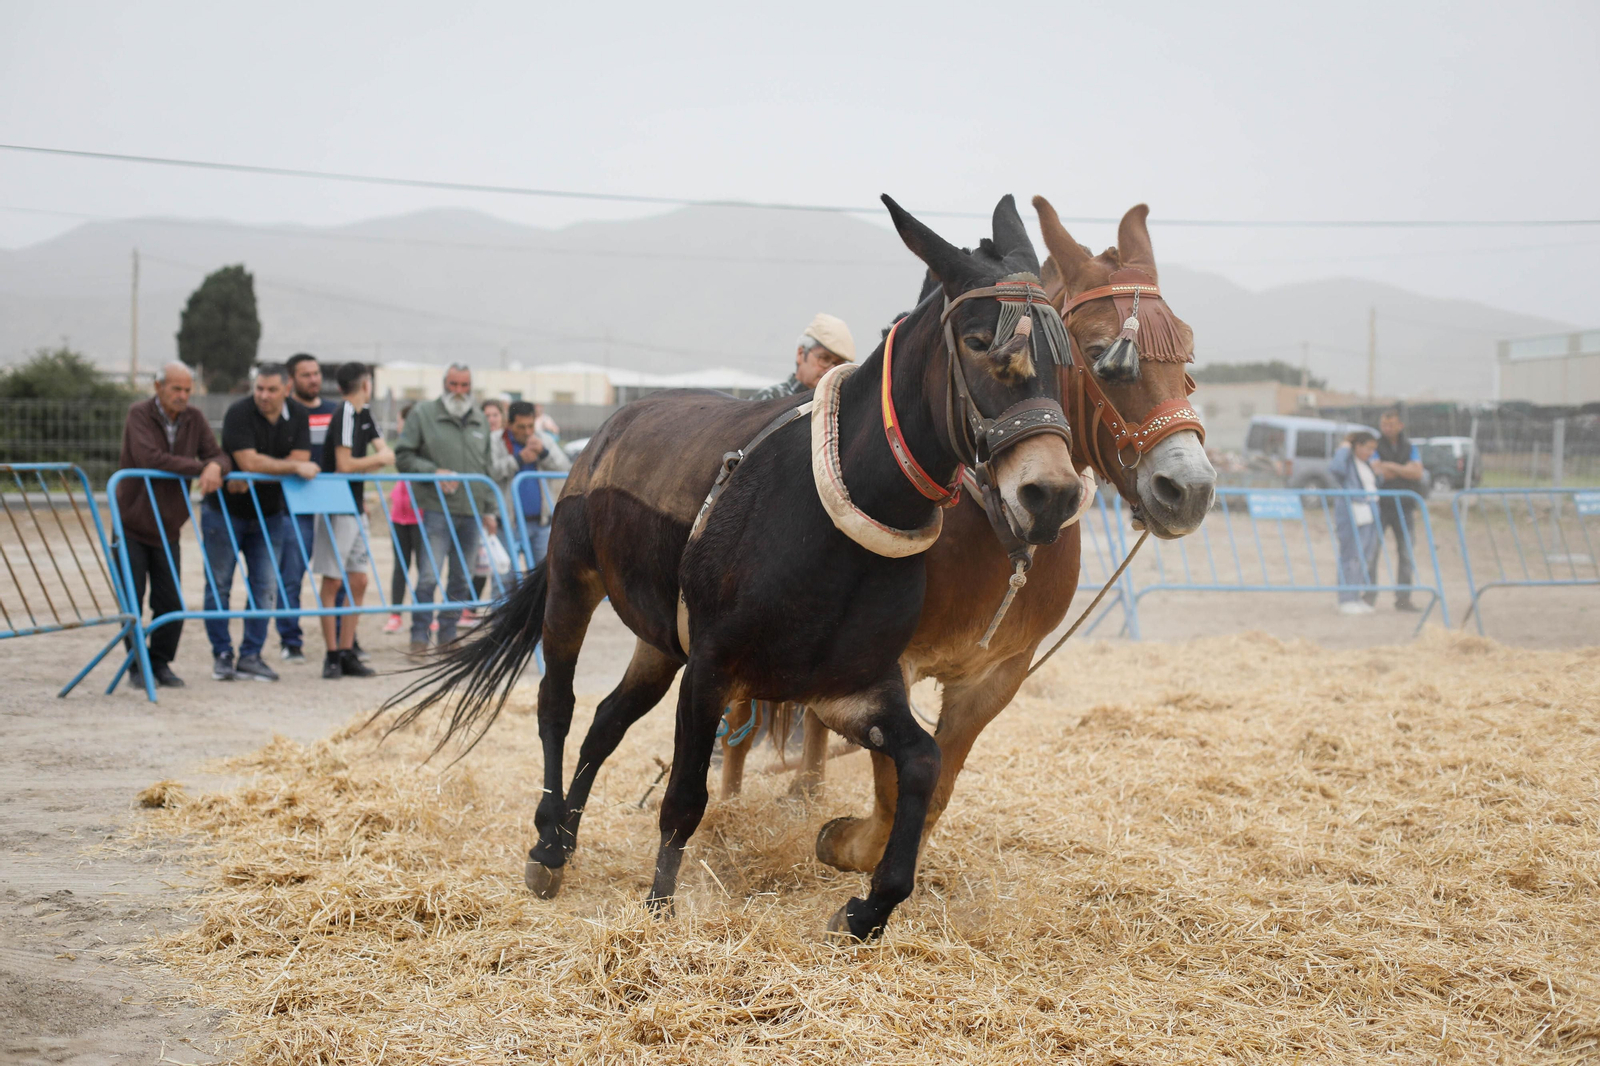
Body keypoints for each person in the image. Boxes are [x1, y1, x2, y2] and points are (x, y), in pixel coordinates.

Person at [114, 361, 229, 689]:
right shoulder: (139, 414)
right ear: (158, 387)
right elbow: (148, 457)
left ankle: (160, 663)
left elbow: (218, 455)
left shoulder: (194, 418)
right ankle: (137, 666)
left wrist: (215, 467)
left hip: (168, 527)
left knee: (170, 602)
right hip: (132, 524)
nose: (182, 396)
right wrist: (200, 468)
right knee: (132, 602)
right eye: (176, 389)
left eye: (188, 390)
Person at [205, 365, 317, 680]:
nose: (263, 396)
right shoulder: (238, 412)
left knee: (265, 587)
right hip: (225, 511)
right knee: (219, 585)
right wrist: (289, 467)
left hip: (269, 514)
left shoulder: (297, 414)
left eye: (271, 390)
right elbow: (249, 462)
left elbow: (301, 458)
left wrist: (262, 472)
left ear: (287, 388)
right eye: (259, 389)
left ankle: (251, 655)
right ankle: (222, 654)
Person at [393, 364, 510, 656]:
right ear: (444, 384)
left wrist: (489, 510)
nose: (458, 391)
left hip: (471, 513)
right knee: (429, 577)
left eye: (464, 385)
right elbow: (404, 456)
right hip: (435, 510)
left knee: (461, 578)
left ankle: (448, 637)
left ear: (471, 387)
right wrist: (433, 471)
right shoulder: (423, 414)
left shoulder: (480, 420)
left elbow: (486, 469)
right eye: (453, 384)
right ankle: (419, 637)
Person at [276, 352, 340, 663]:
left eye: (316, 373)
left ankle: (342, 641)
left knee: (337, 576)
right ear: (292, 380)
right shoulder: (285, 413)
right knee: (291, 575)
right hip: (295, 506)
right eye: (306, 375)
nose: (313, 379)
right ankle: (290, 640)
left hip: (331, 506)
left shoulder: (335, 411)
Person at [1372, 409, 1426, 612]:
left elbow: (1417, 472)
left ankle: (1403, 600)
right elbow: (1379, 472)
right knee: (1371, 552)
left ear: (1400, 425)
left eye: (1391, 424)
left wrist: (1390, 466)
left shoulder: (1409, 446)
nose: (1387, 428)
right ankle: (1368, 597)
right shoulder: (1374, 444)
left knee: (1406, 554)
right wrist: (1403, 470)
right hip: (1380, 507)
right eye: (1384, 424)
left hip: (1404, 507)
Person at [506, 399, 571, 566]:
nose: (527, 432)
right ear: (510, 424)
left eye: (531, 426)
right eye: (521, 427)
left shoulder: (544, 440)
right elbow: (491, 470)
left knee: (543, 577)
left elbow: (565, 468)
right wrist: (518, 460)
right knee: (506, 578)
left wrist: (543, 453)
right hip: (508, 523)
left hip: (541, 523)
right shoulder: (498, 441)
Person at [1330, 431, 1382, 616]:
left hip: (1369, 513)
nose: (1371, 453)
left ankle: (1356, 596)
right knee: (1350, 556)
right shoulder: (1347, 461)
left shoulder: (1366, 463)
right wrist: (1345, 447)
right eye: (1368, 448)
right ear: (1357, 446)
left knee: (1364, 557)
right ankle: (1346, 598)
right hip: (1351, 512)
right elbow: (1336, 469)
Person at [748, 313, 856, 401]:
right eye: (824, 358)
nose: (831, 370)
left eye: (839, 364)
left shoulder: (839, 408)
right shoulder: (770, 400)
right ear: (800, 354)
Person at [383, 403, 421, 634]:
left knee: (424, 569)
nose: (398, 426)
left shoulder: (423, 445)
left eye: (401, 422)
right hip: (399, 515)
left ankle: (422, 614)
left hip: (421, 515)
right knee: (400, 566)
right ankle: (395, 614)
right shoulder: (402, 448)